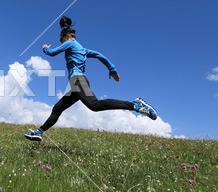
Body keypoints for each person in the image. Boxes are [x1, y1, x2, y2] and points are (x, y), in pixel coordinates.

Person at [24, 16, 157, 141]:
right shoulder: (82, 49)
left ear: (68, 36)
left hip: (78, 80)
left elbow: (52, 53)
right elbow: (100, 55)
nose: (62, 42)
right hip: (77, 84)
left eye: (61, 39)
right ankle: (39, 132)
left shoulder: (70, 43)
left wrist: (45, 49)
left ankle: (135, 105)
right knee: (58, 108)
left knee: (94, 105)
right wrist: (112, 69)